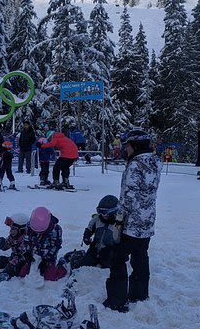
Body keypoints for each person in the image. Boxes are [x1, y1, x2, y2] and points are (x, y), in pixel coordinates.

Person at [104, 129, 161, 312]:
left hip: (131, 224)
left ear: (135, 146)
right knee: (140, 257)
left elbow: (129, 197)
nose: (125, 149)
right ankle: (139, 294)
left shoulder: (136, 165)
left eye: (127, 146)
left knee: (118, 257)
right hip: (147, 222)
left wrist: (119, 219)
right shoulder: (155, 162)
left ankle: (117, 299)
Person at [63, 195, 122, 271]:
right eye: (100, 211)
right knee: (81, 266)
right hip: (94, 249)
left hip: (109, 252)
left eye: (105, 212)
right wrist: (86, 237)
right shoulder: (97, 219)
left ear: (113, 212)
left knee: (108, 268)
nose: (102, 215)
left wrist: (114, 250)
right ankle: (79, 256)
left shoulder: (118, 225)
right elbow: (89, 229)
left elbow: (121, 241)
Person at [26, 206, 67, 281]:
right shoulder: (29, 225)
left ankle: (62, 265)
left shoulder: (56, 230)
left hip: (48, 256)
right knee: (23, 272)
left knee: (50, 276)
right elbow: (26, 241)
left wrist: (46, 259)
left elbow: (56, 246)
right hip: (33, 255)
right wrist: (27, 253)